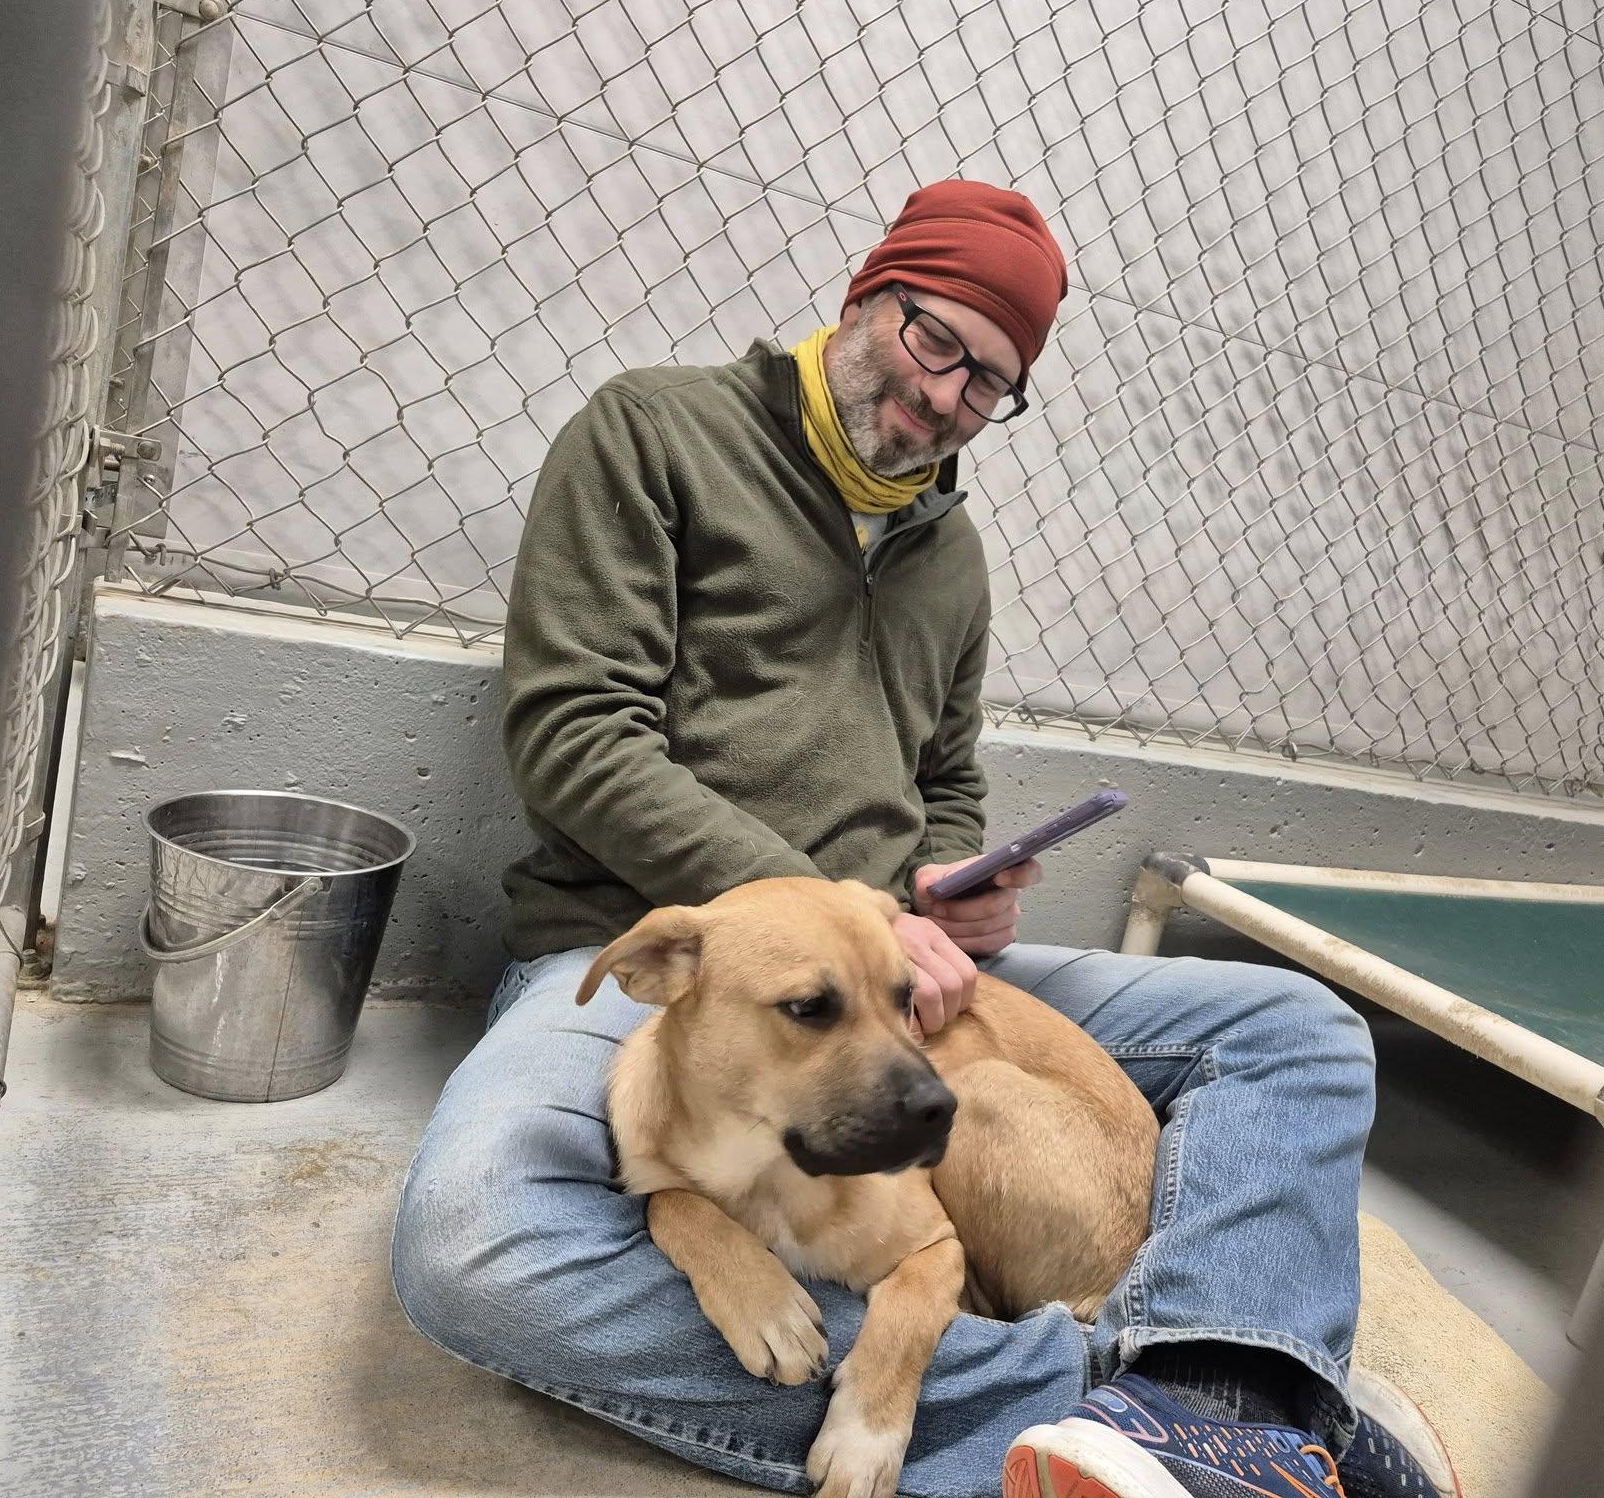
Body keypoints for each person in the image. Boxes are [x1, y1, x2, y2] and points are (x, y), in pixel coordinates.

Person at [392, 180, 1451, 1498]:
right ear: (864, 299)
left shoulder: (952, 554)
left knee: (1299, 1027)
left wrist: (952, 886)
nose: (949, 395)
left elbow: (946, 777)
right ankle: (1166, 1405)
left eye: (991, 382)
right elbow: (574, 738)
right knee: (474, 1242)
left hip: (901, 974)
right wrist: (816, 919)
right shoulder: (655, 433)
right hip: (659, 956)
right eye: (934, 339)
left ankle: (1220, 1396)